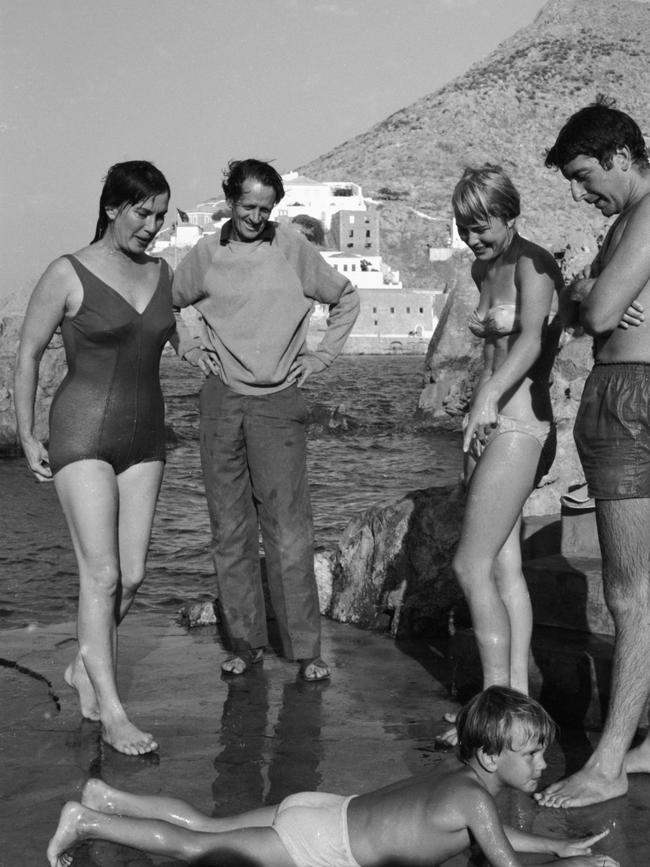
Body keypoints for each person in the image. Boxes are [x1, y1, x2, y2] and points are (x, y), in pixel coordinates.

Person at [46, 686, 616, 867]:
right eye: (533, 754)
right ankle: (88, 823)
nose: (543, 765)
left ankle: (107, 795)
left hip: (322, 807)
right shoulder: (474, 799)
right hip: (320, 843)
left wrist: (558, 849)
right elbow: (502, 860)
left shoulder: (463, 786)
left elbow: (490, 835)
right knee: (197, 848)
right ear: (492, 757)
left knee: (205, 823)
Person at [172, 159, 359, 681]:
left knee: (288, 532)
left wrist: (321, 357)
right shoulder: (205, 254)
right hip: (221, 402)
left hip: (280, 405)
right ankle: (245, 645)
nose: (256, 217)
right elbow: (166, 304)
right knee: (230, 531)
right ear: (230, 202)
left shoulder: (292, 247)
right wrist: (188, 346)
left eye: (265, 209)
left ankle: (305, 652)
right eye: (247, 207)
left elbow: (345, 297)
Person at [14, 161, 176, 756]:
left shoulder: (163, 273)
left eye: (161, 215)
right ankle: (110, 711)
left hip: (146, 438)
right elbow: (29, 353)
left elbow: (190, 338)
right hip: (80, 433)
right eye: (143, 212)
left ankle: (87, 664)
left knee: (132, 575)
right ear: (112, 208)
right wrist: (28, 434)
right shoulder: (67, 271)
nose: (152, 226)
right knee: (100, 574)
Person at [535, 98, 650, 809]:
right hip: (630, 398)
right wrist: (589, 287)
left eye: (584, 175)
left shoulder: (643, 215)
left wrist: (593, 294)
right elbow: (591, 295)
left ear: (618, 156)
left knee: (629, 592)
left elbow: (601, 312)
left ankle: (607, 760)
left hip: (632, 400)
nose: (582, 192)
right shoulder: (625, 225)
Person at [438, 166, 563, 746]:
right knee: (504, 567)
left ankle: (491, 715)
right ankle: (517, 700)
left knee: (470, 565)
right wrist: (475, 404)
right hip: (484, 425)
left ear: (509, 214)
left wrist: (488, 396)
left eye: (482, 227)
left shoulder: (536, 263)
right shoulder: (482, 267)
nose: (473, 239)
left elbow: (535, 340)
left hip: (519, 423)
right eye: (465, 228)